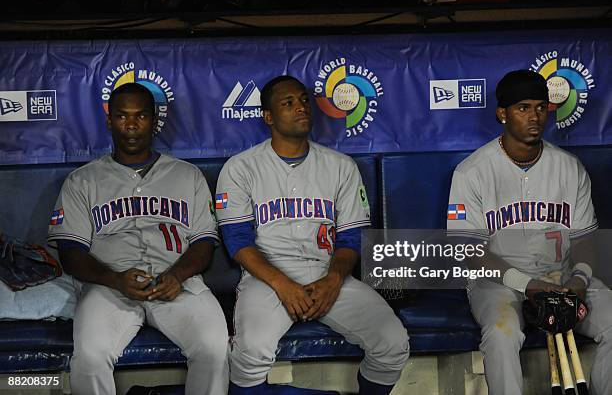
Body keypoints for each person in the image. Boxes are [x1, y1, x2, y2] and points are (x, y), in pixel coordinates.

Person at [216, 75, 409, 394]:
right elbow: (238, 241)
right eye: (287, 103)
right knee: (251, 350)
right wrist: (283, 285)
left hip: (327, 273)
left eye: (304, 100)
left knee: (393, 342)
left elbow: (351, 238)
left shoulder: (340, 166)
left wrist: (333, 280)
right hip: (266, 278)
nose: (300, 107)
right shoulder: (241, 168)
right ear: (268, 116)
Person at [48, 83, 228, 395]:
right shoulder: (82, 181)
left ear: (154, 119)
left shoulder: (188, 176)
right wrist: (114, 279)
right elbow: (70, 251)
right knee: (90, 356)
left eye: (141, 116)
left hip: (177, 283)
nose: (131, 125)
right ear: (109, 121)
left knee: (214, 347)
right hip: (109, 287)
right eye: (122, 116)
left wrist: (176, 275)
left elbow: (203, 242)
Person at [447, 69, 612, 395]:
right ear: (502, 114)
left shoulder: (569, 167)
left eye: (540, 107)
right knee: (501, 332)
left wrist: (579, 280)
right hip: (499, 284)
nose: (534, 116)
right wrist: (528, 285)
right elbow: (469, 251)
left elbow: (584, 238)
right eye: (523, 108)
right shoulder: (472, 172)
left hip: (563, 277)